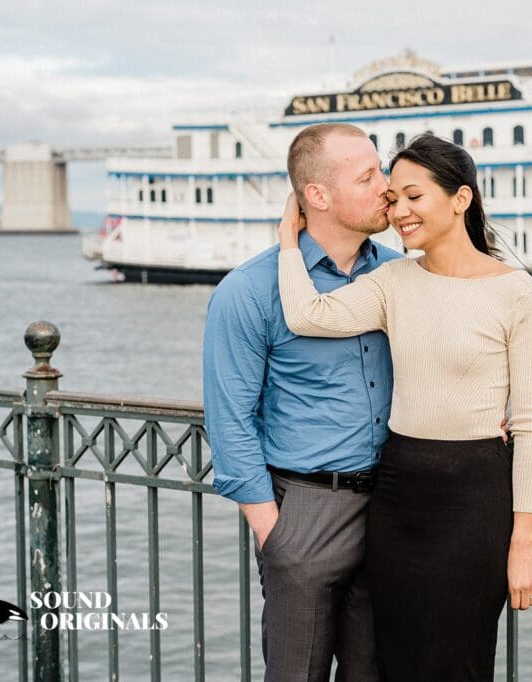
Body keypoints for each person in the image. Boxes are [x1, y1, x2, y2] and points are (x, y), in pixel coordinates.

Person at [276, 133, 532, 681]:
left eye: (414, 196)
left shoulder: (518, 294)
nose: (399, 211)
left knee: (458, 665)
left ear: (460, 198)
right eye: (393, 198)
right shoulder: (394, 281)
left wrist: (523, 544)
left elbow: (530, 427)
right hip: (398, 495)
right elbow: (308, 315)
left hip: (474, 500)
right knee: (396, 662)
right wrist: (290, 237)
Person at [203, 122, 403, 681]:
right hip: (304, 512)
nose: (386, 186)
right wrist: (275, 534)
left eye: (381, 170)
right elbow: (230, 420)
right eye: (367, 177)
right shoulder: (248, 290)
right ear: (317, 195)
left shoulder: (400, 274)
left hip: (393, 509)